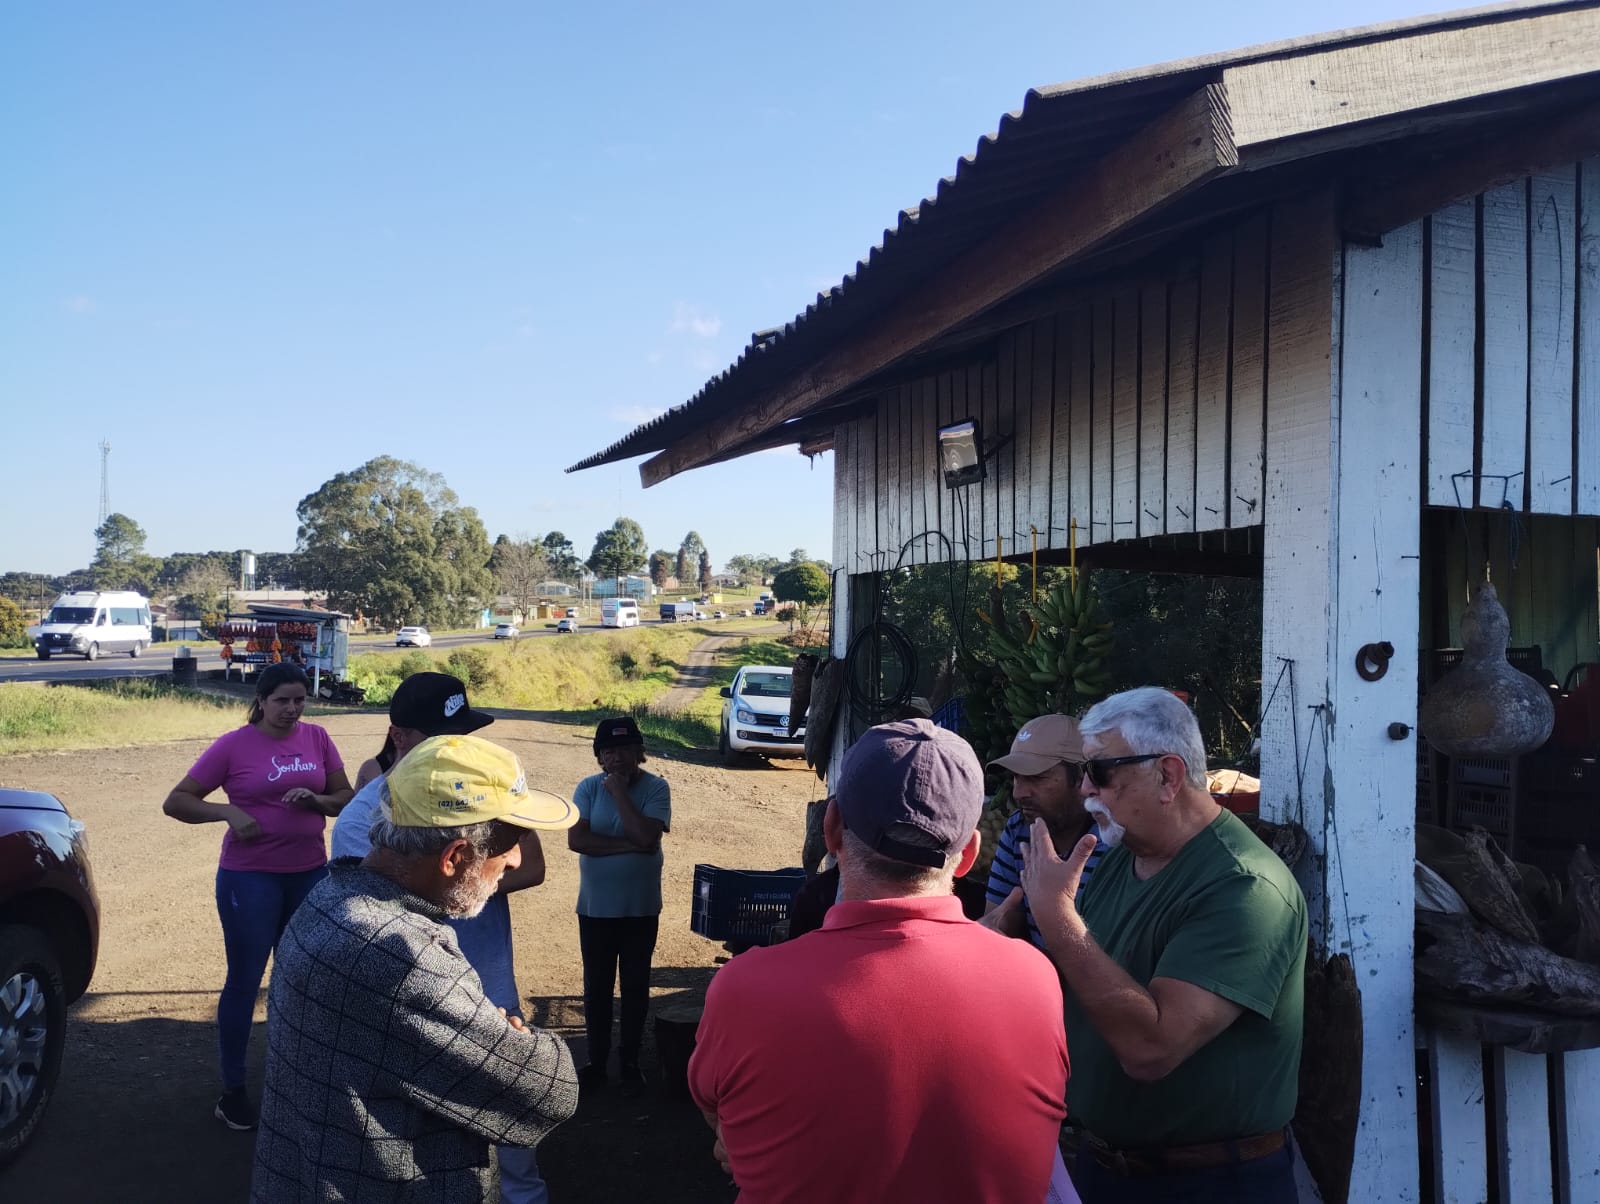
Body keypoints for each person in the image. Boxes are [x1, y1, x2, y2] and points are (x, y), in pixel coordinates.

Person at [690, 718, 1070, 1204]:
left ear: (831, 829)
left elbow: (721, 1120)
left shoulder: (744, 989)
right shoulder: (1035, 979)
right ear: (970, 853)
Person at [251, 734, 580, 1202]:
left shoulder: (328, 899)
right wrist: (521, 1043)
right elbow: (550, 1092)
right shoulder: (402, 958)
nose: (518, 858)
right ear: (454, 857)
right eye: (509, 840)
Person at [1019, 687, 1308, 1204]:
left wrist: (1057, 921)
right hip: (1107, 1170)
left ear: (1168, 776)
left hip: (1210, 1184)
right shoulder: (1120, 858)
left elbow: (1151, 1049)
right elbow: (1087, 988)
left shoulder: (1245, 886)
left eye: (1100, 772)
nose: (1085, 790)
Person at [331, 671, 552, 1204]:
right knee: (427, 1113)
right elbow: (371, 914)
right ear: (399, 736)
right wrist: (466, 877)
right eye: (438, 734)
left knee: (510, 1096)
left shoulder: (485, 785)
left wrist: (466, 878)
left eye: (462, 732)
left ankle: (525, 1195)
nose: (456, 747)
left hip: (488, 972)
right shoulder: (363, 819)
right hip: (420, 987)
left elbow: (532, 866)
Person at [161, 662, 354, 1130]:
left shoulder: (318, 738)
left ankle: (302, 1082)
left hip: (308, 873)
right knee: (246, 979)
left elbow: (346, 796)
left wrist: (317, 801)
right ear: (262, 701)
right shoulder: (233, 745)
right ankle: (233, 1090)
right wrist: (227, 811)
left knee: (306, 977)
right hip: (250, 877)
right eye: (282, 700)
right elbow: (177, 801)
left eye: (299, 699)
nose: (292, 709)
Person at [568, 715, 671, 1085]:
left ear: (639, 753)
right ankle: (597, 1063)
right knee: (596, 989)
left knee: (635, 986)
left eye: (626, 749)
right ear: (599, 756)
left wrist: (620, 795)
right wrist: (632, 845)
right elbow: (578, 841)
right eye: (609, 751)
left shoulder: (657, 788)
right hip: (595, 909)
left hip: (640, 908)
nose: (617, 758)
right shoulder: (586, 788)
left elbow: (647, 836)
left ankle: (629, 1060)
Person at [983, 713, 1102, 948]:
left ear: (1080, 778)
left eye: (1036, 778)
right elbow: (999, 921)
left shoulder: (1112, 841)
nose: (1019, 793)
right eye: (1016, 778)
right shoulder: (1019, 829)